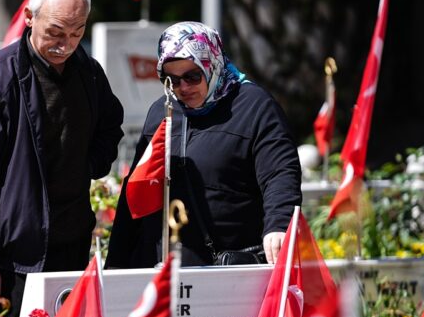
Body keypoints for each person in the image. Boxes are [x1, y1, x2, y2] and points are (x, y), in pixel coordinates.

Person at [0, 0, 123, 317]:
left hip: (71, 244)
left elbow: (109, 127)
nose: (66, 44)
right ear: (29, 16)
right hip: (13, 255)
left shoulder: (89, 73)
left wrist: (87, 164)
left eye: (77, 32)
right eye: (56, 32)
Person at [106, 22, 301, 269]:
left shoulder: (254, 106)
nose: (183, 88)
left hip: (228, 268)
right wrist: (116, 263)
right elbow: (134, 194)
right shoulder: (161, 111)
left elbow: (279, 173)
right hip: (162, 270)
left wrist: (279, 224)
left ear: (212, 65)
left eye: (192, 76)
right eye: (171, 80)